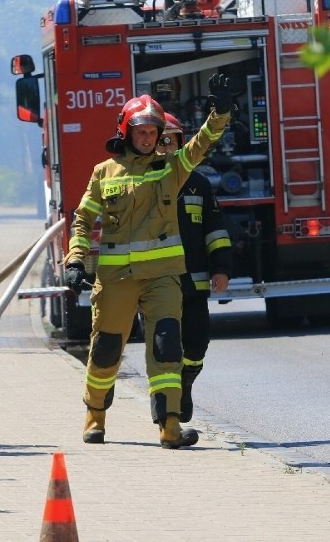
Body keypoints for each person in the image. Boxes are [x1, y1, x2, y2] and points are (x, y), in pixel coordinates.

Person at [63, 74, 232, 449]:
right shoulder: (103, 173)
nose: (148, 137)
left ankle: (169, 427)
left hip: (163, 279)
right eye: (141, 131)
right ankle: (95, 417)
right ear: (126, 131)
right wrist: (75, 260)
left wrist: (220, 113)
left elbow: (202, 144)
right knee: (106, 349)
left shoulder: (172, 168)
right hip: (117, 279)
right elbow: (82, 220)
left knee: (167, 347)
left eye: (154, 132)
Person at [157, 112, 233, 424]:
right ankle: (169, 412)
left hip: (194, 283)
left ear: (181, 142)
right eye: (158, 142)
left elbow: (215, 229)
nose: (163, 148)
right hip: (156, 284)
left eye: (169, 140)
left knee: (197, 343)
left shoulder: (198, 184)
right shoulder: (142, 183)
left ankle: (186, 381)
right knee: (164, 349)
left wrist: (221, 268)